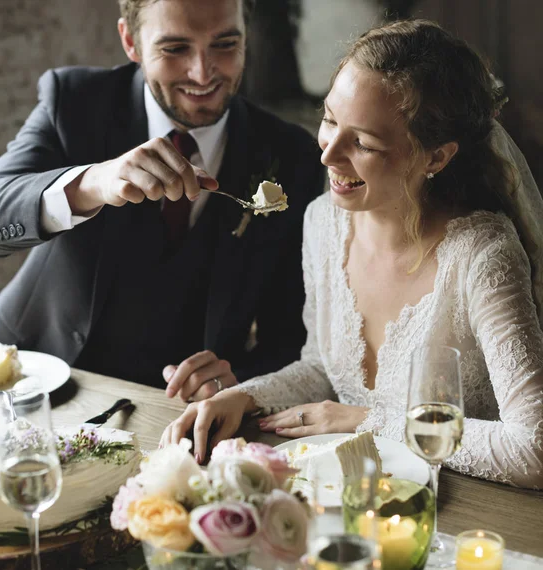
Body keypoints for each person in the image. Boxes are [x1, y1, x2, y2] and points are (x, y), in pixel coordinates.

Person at [161, 19, 543, 488]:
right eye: (329, 120)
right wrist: (242, 397)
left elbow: (535, 447)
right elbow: (322, 366)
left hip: (466, 512)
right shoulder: (322, 221)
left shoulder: (483, 257)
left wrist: (366, 421)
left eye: (362, 142)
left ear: (436, 158)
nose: (328, 154)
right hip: (348, 491)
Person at [0, 0, 325, 401]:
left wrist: (235, 379)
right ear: (130, 41)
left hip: (172, 414)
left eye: (225, 44)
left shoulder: (291, 156)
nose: (202, 73)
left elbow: (289, 340)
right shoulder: (75, 102)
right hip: (24, 379)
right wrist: (92, 182)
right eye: (175, 48)